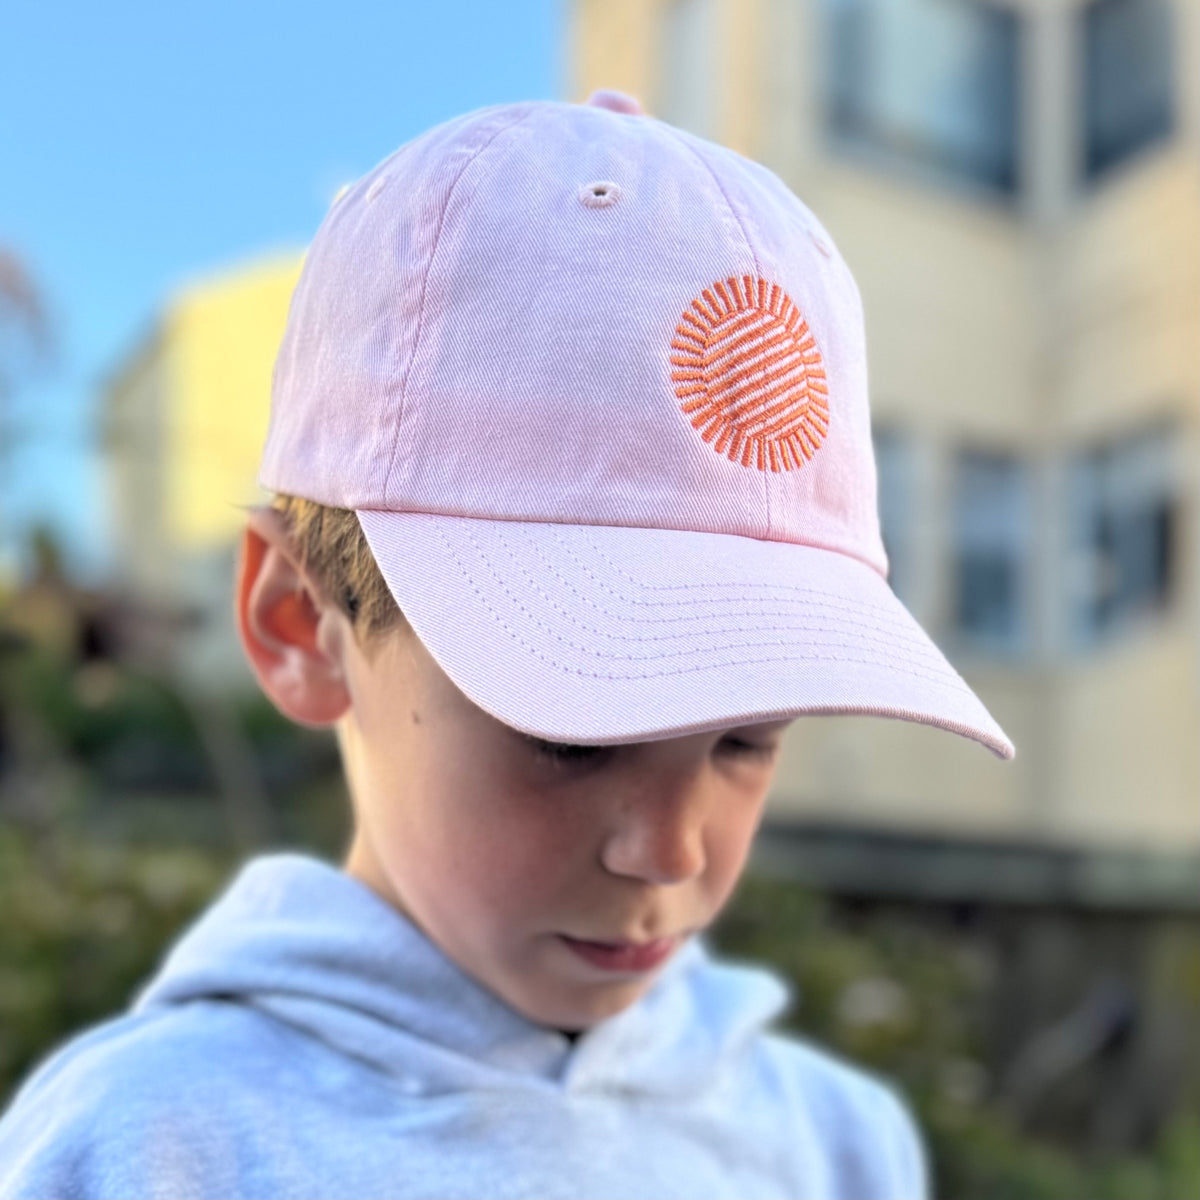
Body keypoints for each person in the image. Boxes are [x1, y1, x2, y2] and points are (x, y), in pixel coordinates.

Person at [0, 90, 1012, 1199]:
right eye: (572, 735)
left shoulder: (834, 1143)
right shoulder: (156, 1149)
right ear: (299, 621)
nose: (671, 852)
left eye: (746, 737)